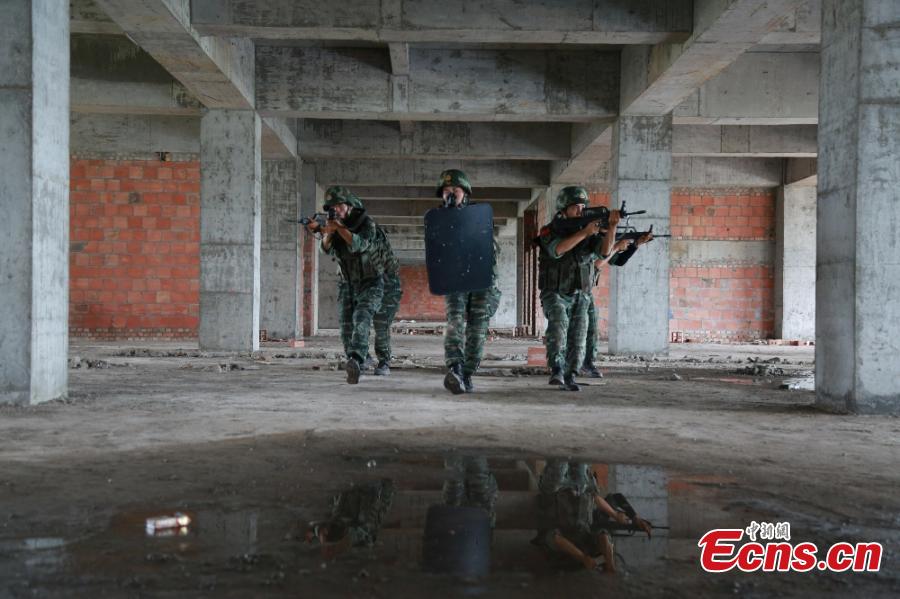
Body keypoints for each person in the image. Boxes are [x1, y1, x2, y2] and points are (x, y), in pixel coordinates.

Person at [305, 186, 390, 384]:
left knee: (362, 318)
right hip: (347, 282)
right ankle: (358, 358)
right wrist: (326, 231)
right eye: (333, 207)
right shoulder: (335, 224)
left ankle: (356, 360)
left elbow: (360, 245)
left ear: (350, 206)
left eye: (340, 206)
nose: (337, 210)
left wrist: (339, 228)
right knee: (345, 327)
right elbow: (326, 250)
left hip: (371, 281)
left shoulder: (367, 224)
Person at [536, 186, 618, 391]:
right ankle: (556, 369)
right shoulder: (549, 230)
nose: (580, 212)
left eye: (583, 207)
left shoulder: (590, 232)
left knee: (579, 335)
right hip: (554, 292)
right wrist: (584, 232)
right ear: (563, 209)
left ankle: (570, 374)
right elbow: (557, 250)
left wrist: (613, 228)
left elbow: (604, 252)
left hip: (580, 293)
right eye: (575, 208)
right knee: (559, 325)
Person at [436, 169, 502, 395]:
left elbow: (490, 249)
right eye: (446, 191)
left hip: (482, 281)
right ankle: (454, 367)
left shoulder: (478, 215)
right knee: (454, 322)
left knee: (477, 329)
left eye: (455, 190)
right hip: (455, 280)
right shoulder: (437, 219)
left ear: (466, 193)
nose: (451, 195)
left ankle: (466, 373)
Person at [532, 460, 652, 573]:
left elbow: (556, 538)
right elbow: (607, 500)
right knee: (580, 469)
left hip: (554, 491)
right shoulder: (591, 531)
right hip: (580, 488)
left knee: (559, 469)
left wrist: (583, 558)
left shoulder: (554, 541)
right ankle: (610, 569)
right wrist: (632, 517)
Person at [580, 233, 654, 378]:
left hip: (585, 292)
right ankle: (565, 365)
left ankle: (587, 363)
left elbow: (619, 261)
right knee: (576, 331)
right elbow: (595, 265)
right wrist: (615, 247)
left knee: (591, 330)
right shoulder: (586, 242)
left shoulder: (600, 242)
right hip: (571, 292)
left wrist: (636, 244)